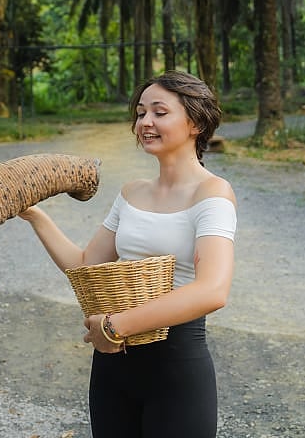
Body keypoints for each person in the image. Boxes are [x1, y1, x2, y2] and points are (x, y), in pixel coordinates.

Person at [20, 70, 236, 438]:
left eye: (159, 112)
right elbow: (86, 265)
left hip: (176, 366)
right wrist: (34, 215)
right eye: (140, 113)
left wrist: (115, 325)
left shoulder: (213, 193)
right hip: (112, 365)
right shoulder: (132, 192)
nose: (145, 123)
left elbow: (212, 290)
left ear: (196, 122)